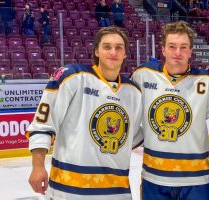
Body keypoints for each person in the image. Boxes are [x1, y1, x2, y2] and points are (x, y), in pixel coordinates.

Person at [27, 27, 143, 199]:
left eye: (119, 47)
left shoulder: (133, 92)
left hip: (117, 191)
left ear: (125, 54)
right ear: (96, 50)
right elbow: (43, 125)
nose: (113, 52)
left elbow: (131, 138)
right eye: (107, 46)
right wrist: (38, 166)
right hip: (68, 191)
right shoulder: (72, 77)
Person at [131, 21, 209, 200]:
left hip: (196, 180)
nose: (177, 53)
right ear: (163, 49)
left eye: (183, 47)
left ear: (191, 51)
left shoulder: (207, 82)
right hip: (154, 178)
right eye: (172, 46)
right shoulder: (143, 75)